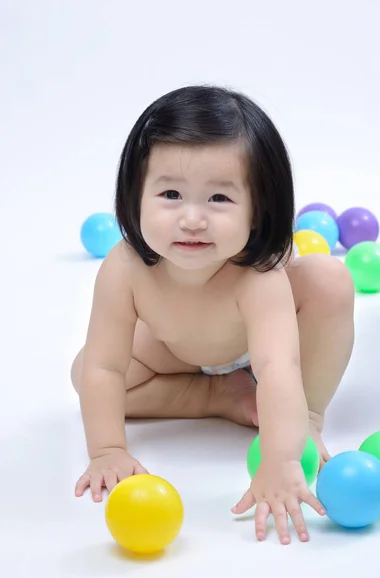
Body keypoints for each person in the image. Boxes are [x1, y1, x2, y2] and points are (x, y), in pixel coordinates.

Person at [70, 85, 355, 545]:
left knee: (328, 279)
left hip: (262, 341)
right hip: (174, 348)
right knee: (84, 372)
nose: (192, 219)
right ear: (134, 196)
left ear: (259, 210)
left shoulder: (256, 277)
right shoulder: (125, 266)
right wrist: (107, 450)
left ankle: (311, 418)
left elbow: (278, 368)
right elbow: (105, 365)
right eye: (170, 194)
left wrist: (282, 459)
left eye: (219, 199)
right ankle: (220, 396)